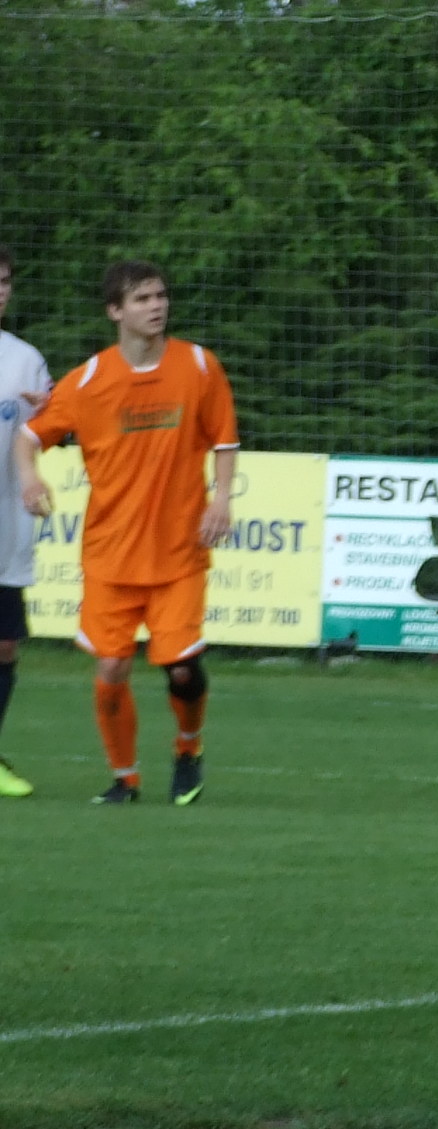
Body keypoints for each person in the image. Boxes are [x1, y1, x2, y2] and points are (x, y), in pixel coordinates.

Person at [12, 261, 237, 806]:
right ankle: (125, 778)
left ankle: (188, 748)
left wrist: (222, 499)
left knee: (182, 668)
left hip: (179, 551)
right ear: (115, 311)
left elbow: (225, 441)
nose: (156, 306)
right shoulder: (88, 381)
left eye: (160, 296)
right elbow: (28, 436)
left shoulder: (199, 366)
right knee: (111, 665)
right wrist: (29, 477)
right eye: (142, 299)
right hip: (111, 554)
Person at [0, 246, 45, 799]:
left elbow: (45, 429)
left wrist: (51, 413)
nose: (0, 291)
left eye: (6, 281)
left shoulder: (24, 360)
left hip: (5, 526)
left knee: (5, 646)